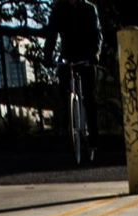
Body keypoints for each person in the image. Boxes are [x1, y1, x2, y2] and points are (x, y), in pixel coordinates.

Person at [43, 0, 104, 154]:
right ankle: (68, 129)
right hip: (68, 56)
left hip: (87, 57)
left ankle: (94, 140)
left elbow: (97, 34)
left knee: (90, 98)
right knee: (64, 93)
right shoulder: (59, 9)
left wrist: (95, 54)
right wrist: (48, 56)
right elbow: (52, 34)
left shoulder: (89, 9)